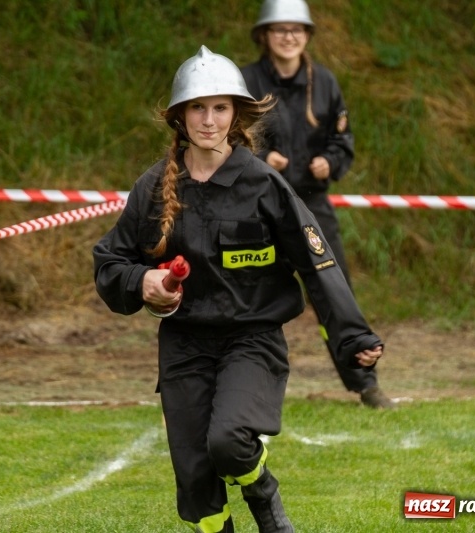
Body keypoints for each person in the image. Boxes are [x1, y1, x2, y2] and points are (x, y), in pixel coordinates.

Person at [93, 45, 385, 533]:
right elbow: (110, 263)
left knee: (228, 441)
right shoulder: (151, 188)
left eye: (220, 108)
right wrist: (141, 281)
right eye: (197, 108)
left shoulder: (264, 185)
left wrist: (352, 337)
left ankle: (263, 495)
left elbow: (318, 264)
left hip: (252, 339)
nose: (209, 120)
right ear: (179, 117)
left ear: (237, 115)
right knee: (195, 486)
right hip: (184, 344)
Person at [240, 0, 395, 409]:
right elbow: (228, 136)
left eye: (296, 29)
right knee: (246, 294)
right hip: (255, 206)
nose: (288, 37)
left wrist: (331, 161)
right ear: (264, 36)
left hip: (312, 206)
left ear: (307, 35)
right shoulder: (246, 80)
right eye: (279, 29)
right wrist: (259, 159)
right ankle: (240, 387)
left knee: (334, 291)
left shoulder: (324, 82)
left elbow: (343, 140)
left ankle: (365, 383)